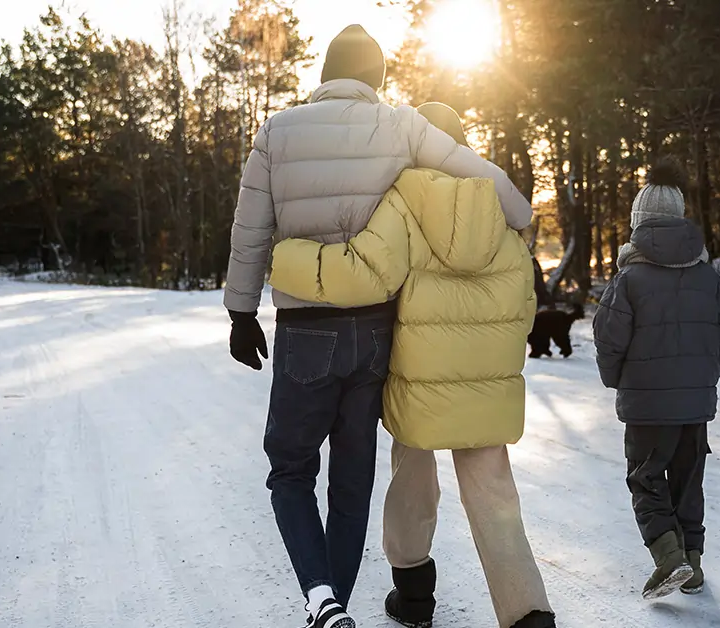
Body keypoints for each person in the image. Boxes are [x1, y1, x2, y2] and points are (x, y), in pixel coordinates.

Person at [223, 25, 533, 628]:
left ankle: (323, 599)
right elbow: (474, 172)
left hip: (304, 328)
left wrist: (240, 312)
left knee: (290, 468)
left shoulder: (277, 130)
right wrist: (517, 214)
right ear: (378, 80)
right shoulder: (399, 125)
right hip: (373, 332)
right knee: (353, 479)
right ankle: (331, 605)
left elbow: (250, 228)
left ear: (324, 75)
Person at [269, 103, 556, 628]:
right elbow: (525, 299)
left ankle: (414, 592)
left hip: (417, 377)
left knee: (411, 478)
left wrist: (285, 258)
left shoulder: (405, 199)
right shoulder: (498, 204)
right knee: (494, 493)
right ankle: (528, 614)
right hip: (487, 382)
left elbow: (363, 274)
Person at [592, 161, 720, 599]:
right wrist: (700, 377)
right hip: (695, 405)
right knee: (688, 481)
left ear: (638, 224)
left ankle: (669, 558)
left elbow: (608, 339)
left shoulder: (629, 278)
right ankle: (692, 565)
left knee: (646, 478)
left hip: (647, 406)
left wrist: (619, 380)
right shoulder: (707, 276)